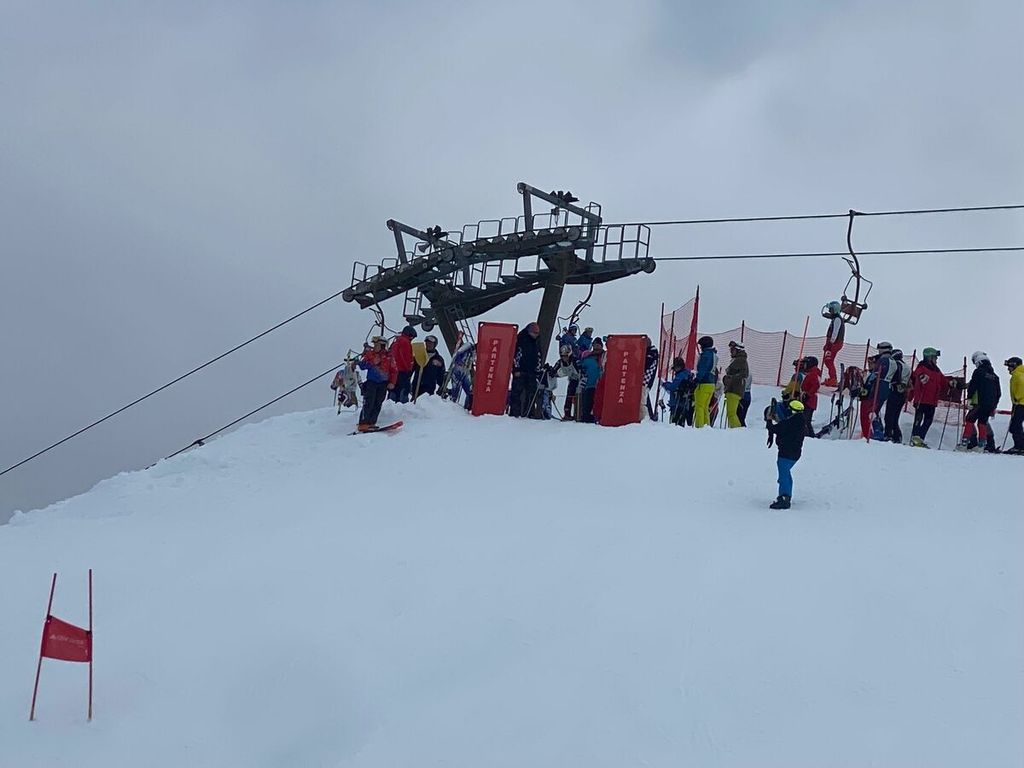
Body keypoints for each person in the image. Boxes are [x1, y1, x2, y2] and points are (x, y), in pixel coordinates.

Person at [765, 395, 807, 510]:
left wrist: (769, 420)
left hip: (786, 453)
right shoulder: (799, 421)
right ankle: (786, 494)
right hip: (794, 453)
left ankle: (784, 498)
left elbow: (775, 428)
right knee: (786, 474)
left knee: (784, 474)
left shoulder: (791, 422)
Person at [960, 351, 1001, 452]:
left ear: (978, 362)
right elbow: (998, 393)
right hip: (990, 404)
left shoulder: (978, 372)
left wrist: (969, 399)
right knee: (982, 422)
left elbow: (973, 386)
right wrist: (994, 406)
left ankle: (964, 443)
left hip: (979, 402)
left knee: (969, 419)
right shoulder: (995, 377)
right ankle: (981, 445)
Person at [907, 347, 946, 447]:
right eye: (935, 357)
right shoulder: (921, 367)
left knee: (928, 421)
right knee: (918, 419)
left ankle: (919, 438)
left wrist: (953, 384)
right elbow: (916, 375)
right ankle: (915, 437)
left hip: (932, 401)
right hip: (922, 399)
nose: (936, 360)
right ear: (929, 357)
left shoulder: (937, 371)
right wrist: (922, 377)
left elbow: (944, 381)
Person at [357, 336, 396, 431]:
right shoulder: (370, 354)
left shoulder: (389, 356)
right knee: (369, 402)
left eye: (376, 345)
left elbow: (394, 370)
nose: (374, 347)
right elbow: (362, 365)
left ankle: (372, 422)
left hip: (383, 383)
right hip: (371, 382)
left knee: (378, 402)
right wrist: (371, 363)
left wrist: (392, 382)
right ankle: (363, 423)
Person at [510, 322, 542, 417]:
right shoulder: (520, 340)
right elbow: (516, 356)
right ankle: (515, 413)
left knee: (532, 394)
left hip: (532, 372)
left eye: (537, 333)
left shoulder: (537, 342)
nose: (535, 335)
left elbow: (539, 356)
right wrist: (516, 369)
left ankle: (529, 413)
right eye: (534, 333)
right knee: (516, 393)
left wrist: (538, 371)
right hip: (520, 371)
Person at [879, 348, 910, 443]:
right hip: (902, 393)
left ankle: (888, 435)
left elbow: (894, 378)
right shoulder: (906, 366)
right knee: (895, 417)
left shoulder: (896, 364)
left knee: (889, 416)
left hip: (895, 391)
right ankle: (897, 436)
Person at [546, 345, 582, 420]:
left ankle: (579, 414)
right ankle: (567, 414)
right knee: (569, 394)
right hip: (572, 379)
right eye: (562, 356)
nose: (564, 358)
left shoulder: (575, 361)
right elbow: (553, 371)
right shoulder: (560, 362)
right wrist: (549, 370)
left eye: (566, 356)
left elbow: (581, 371)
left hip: (579, 380)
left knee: (578, 395)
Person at [722, 341, 749, 428]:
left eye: (732, 349)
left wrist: (729, 378)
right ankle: (736, 429)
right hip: (733, 389)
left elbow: (744, 374)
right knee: (731, 413)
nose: (731, 351)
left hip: (734, 389)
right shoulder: (738, 360)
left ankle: (737, 430)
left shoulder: (740, 360)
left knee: (731, 413)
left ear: (738, 350)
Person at [578, 336, 604, 423]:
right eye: (594, 345)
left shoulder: (605, 356)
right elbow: (581, 368)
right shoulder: (587, 357)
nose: (596, 347)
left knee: (599, 403)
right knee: (587, 403)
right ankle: (586, 417)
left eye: (598, 345)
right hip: (589, 385)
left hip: (601, 386)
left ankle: (598, 417)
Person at [693, 336, 718, 428]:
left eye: (701, 346)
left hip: (704, 383)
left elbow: (703, 369)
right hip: (711, 384)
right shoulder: (713, 355)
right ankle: (706, 426)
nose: (700, 348)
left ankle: (699, 426)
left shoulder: (706, 355)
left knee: (699, 406)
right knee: (705, 407)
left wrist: (697, 379)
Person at [661, 357, 694, 426]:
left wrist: (665, 384)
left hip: (677, 402)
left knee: (674, 423)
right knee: (681, 422)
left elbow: (673, 387)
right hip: (685, 403)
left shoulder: (680, 376)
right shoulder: (688, 374)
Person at [389, 326, 417, 403]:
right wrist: (409, 369)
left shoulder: (396, 342)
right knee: (403, 390)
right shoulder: (405, 342)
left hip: (393, 371)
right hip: (402, 371)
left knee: (393, 390)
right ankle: (401, 406)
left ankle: (391, 405)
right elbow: (406, 357)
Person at [821, 300, 846, 387]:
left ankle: (833, 379)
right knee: (828, 360)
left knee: (829, 360)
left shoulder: (837, 319)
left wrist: (830, 343)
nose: (829, 311)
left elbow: (835, 332)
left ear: (835, 310)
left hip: (835, 343)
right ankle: (832, 378)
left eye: (831, 309)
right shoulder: (835, 319)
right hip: (834, 343)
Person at [447, 340, 476, 410]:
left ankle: (468, 407)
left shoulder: (474, 352)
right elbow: (458, 352)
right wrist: (458, 361)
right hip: (458, 369)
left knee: (470, 391)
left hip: (466, 370)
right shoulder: (469, 345)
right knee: (455, 389)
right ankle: (451, 406)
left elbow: (472, 362)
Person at [799, 355, 822, 437]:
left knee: (805, 420)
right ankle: (810, 435)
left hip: (810, 400)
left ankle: (808, 435)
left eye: (806, 364)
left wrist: (808, 395)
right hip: (809, 399)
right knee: (806, 420)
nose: (805, 366)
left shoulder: (814, 373)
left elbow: (816, 385)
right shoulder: (813, 372)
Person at [1005, 356, 1024, 454]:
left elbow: (1021, 386)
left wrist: (1017, 397)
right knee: (1017, 425)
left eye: (1009, 366)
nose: (1008, 369)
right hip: (1019, 403)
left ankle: (1019, 446)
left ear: (1014, 365)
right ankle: (1021, 446)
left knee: (1015, 425)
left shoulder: (1017, 375)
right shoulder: (1021, 373)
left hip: (1020, 403)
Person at [643, 339, 660, 421]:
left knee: (643, 398)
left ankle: (646, 417)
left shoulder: (651, 353)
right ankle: (650, 416)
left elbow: (645, 366)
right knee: (644, 397)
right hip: (645, 381)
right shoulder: (651, 353)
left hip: (646, 380)